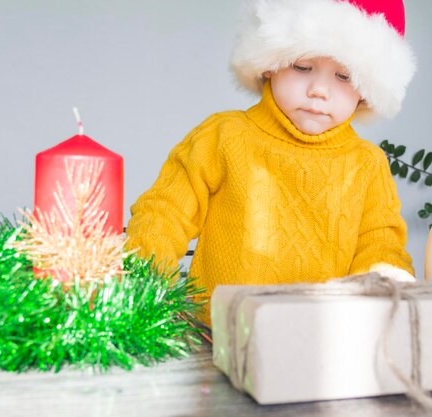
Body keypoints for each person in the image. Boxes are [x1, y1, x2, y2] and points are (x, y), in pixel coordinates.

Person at [126, 0, 417, 324]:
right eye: (302, 67)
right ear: (269, 63)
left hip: (323, 343)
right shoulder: (223, 137)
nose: (319, 89)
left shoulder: (367, 165)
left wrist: (379, 309)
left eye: (344, 76)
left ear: (366, 91)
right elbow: (163, 216)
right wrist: (142, 295)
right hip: (214, 341)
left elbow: (380, 248)